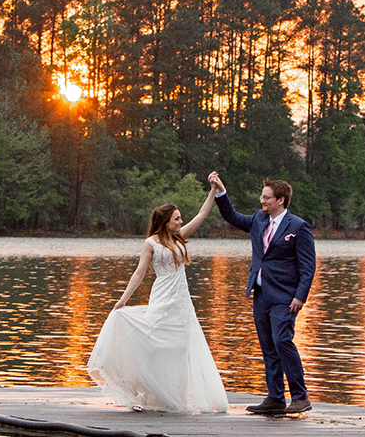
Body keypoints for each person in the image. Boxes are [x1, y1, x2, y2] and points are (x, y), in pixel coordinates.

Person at [86, 196, 229, 413]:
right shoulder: (151, 244)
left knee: (179, 348)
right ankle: (142, 394)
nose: (181, 222)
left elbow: (202, 216)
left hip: (181, 301)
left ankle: (174, 396)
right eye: (177, 218)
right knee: (151, 346)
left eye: (180, 218)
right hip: (161, 298)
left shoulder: (178, 238)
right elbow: (139, 273)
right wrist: (123, 299)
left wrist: (213, 191)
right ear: (165, 222)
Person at [207, 172, 315, 415]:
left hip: (285, 297)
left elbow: (308, 267)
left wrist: (300, 296)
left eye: (266, 197)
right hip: (260, 294)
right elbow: (231, 216)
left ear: (281, 200)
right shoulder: (258, 219)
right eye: (262, 196)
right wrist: (220, 191)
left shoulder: (298, 227)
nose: (261, 201)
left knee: (282, 341)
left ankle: (300, 396)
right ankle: (275, 398)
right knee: (268, 346)